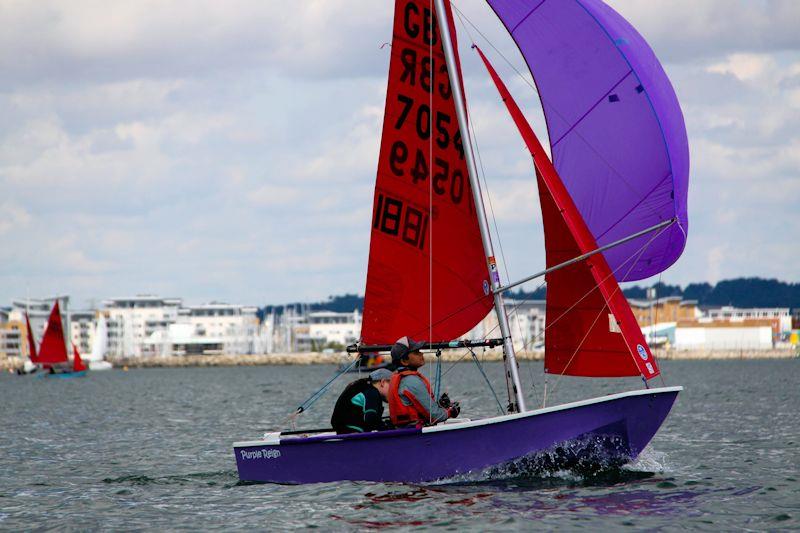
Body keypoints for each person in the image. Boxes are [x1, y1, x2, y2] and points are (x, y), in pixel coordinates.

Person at [388, 336, 460, 428]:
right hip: (415, 433)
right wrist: (452, 411)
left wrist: (440, 405)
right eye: (416, 352)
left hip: (406, 430)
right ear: (404, 361)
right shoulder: (411, 381)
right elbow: (436, 416)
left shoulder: (401, 379)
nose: (421, 354)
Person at [330, 368, 393, 434]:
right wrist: (387, 427)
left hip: (342, 429)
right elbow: (371, 419)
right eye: (392, 385)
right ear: (382, 382)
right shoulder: (372, 393)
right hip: (352, 432)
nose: (393, 391)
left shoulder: (363, 387)